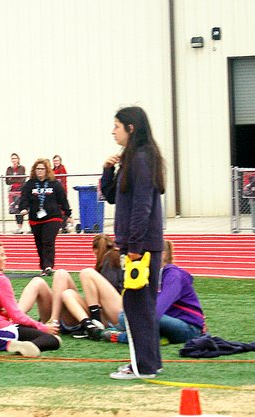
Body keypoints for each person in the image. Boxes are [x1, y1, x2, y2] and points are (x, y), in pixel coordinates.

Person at [100, 106, 165, 380]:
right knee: (142, 307)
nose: (112, 130)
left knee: (138, 308)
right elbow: (113, 196)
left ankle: (143, 367)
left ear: (131, 128)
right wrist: (107, 170)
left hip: (142, 247)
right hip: (139, 245)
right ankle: (151, 363)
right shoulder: (131, 158)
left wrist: (135, 249)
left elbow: (142, 207)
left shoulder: (141, 158)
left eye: (117, 125)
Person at [19, 158, 72, 276]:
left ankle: (48, 266)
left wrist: (68, 213)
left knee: (48, 240)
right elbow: (24, 199)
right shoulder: (30, 184)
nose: (40, 171)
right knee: (39, 242)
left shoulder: (54, 184)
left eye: (42, 169)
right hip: (35, 219)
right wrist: (23, 208)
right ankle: (43, 266)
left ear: (47, 170)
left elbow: (62, 199)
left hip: (52, 217)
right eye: (37, 169)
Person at [5, 153, 26, 234]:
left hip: (20, 191)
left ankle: (21, 226)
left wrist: (13, 179)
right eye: (12, 158)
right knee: (15, 209)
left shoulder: (22, 168)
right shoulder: (9, 169)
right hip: (12, 192)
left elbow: (22, 180)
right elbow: (7, 181)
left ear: (18, 159)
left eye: (15, 158)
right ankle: (18, 227)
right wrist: (16, 179)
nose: (14, 160)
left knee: (21, 208)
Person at [52, 155, 70, 233]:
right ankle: (59, 226)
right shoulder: (52, 170)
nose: (56, 162)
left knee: (63, 208)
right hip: (55, 193)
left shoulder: (62, 169)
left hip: (62, 191)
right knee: (57, 209)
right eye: (55, 161)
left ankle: (64, 226)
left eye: (57, 160)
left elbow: (62, 180)